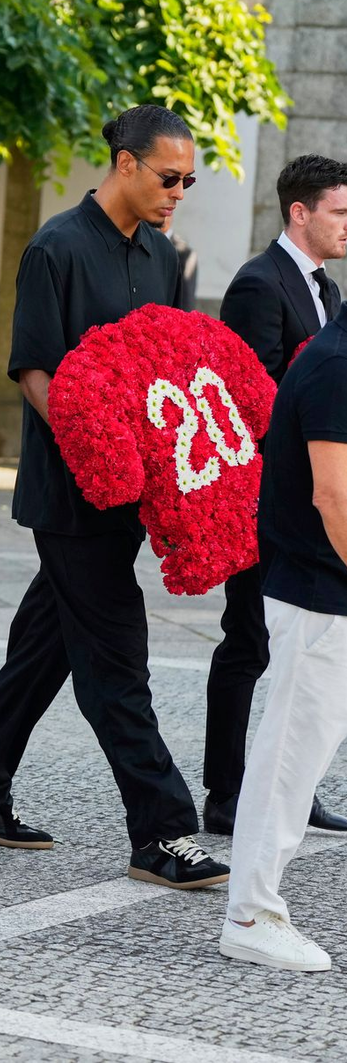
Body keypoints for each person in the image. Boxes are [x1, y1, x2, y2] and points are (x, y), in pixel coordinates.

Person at [0, 104, 228, 889]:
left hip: (133, 495)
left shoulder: (165, 255)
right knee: (115, 658)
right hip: (71, 495)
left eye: (189, 181)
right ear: (125, 163)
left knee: (46, 645)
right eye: (170, 178)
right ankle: (163, 832)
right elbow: (35, 372)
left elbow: (167, 372)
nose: (178, 192)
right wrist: (100, 446)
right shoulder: (55, 247)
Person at [204, 155, 347, 837]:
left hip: (316, 493)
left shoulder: (329, 291)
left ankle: (295, 785)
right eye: (340, 212)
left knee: (297, 657)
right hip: (264, 500)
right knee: (248, 642)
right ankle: (226, 791)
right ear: (301, 212)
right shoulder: (258, 284)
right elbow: (246, 398)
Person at [218, 284, 347, 971]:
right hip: (320, 595)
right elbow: (333, 493)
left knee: (302, 749)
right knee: (289, 756)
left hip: (333, 593)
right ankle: (250, 912)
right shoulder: (336, 364)